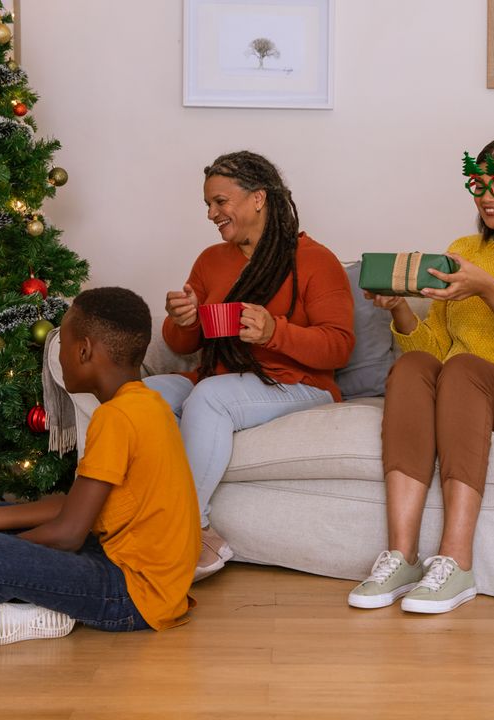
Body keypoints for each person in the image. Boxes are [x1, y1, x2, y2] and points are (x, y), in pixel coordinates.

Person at [347, 136, 494, 614]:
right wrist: (399, 308)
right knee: (413, 366)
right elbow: (434, 352)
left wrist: (490, 290)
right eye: (478, 184)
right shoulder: (462, 250)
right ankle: (401, 557)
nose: (486, 196)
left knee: (461, 371)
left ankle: (456, 562)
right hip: (459, 385)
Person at [0, 287, 201, 646]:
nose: (59, 356)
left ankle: (42, 610)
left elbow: (69, 533)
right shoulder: (146, 404)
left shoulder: (116, 417)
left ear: (84, 351)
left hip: (133, 597)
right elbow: (74, 506)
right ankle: (34, 596)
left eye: (63, 345)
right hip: (132, 567)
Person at [148, 151, 352, 581]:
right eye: (208, 204)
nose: (211, 213)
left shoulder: (315, 260)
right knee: (142, 397)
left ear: (258, 198)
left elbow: (339, 347)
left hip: (299, 383)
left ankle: (188, 531)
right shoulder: (210, 260)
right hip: (221, 376)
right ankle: (149, 525)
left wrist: (274, 332)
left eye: (220, 201)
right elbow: (183, 344)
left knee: (210, 398)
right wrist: (183, 319)